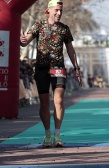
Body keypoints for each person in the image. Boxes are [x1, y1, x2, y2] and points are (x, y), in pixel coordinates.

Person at [20, 0, 82, 148]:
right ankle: (48, 134)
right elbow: (25, 42)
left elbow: (70, 50)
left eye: (61, 11)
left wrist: (77, 68)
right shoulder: (38, 25)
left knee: (59, 100)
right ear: (49, 11)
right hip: (41, 68)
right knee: (44, 103)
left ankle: (57, 134)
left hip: (58, 68)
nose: (59, 13)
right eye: (56, 11)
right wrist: (22, 41)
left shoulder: (64, 29)